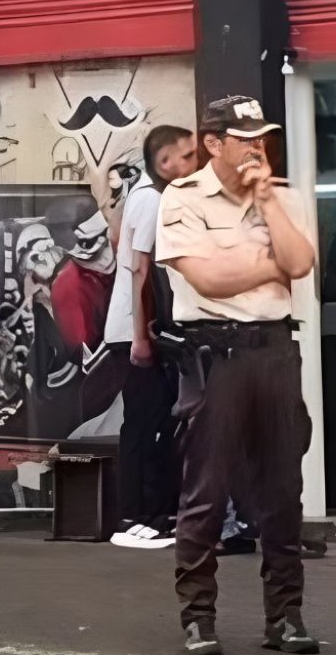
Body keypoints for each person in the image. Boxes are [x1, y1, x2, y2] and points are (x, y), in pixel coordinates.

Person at [155, 96, 318, 655]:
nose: (256, 145)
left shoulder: (286, 196)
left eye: (261, 135)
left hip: (274, 352)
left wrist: (268, 200)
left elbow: (301, 263)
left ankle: (286, 618)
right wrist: (270, 266)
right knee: (206, 491)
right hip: (214, 355)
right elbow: (208, 280)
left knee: (283, 492)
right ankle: (198, 618)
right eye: (243, 136)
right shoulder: (181, 199)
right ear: (213, 143)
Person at [104, 125, 197, 550]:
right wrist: (143, 336)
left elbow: (115, 239)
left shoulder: (141, 197)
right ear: (164, 162)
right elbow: (141, 268)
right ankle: (143, 516)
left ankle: (146, 514)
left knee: (151, 422)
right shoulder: (152, 199)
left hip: (142, 327)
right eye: (188, 154)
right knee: (147, 424)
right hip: (138, 330)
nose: (195, 162)